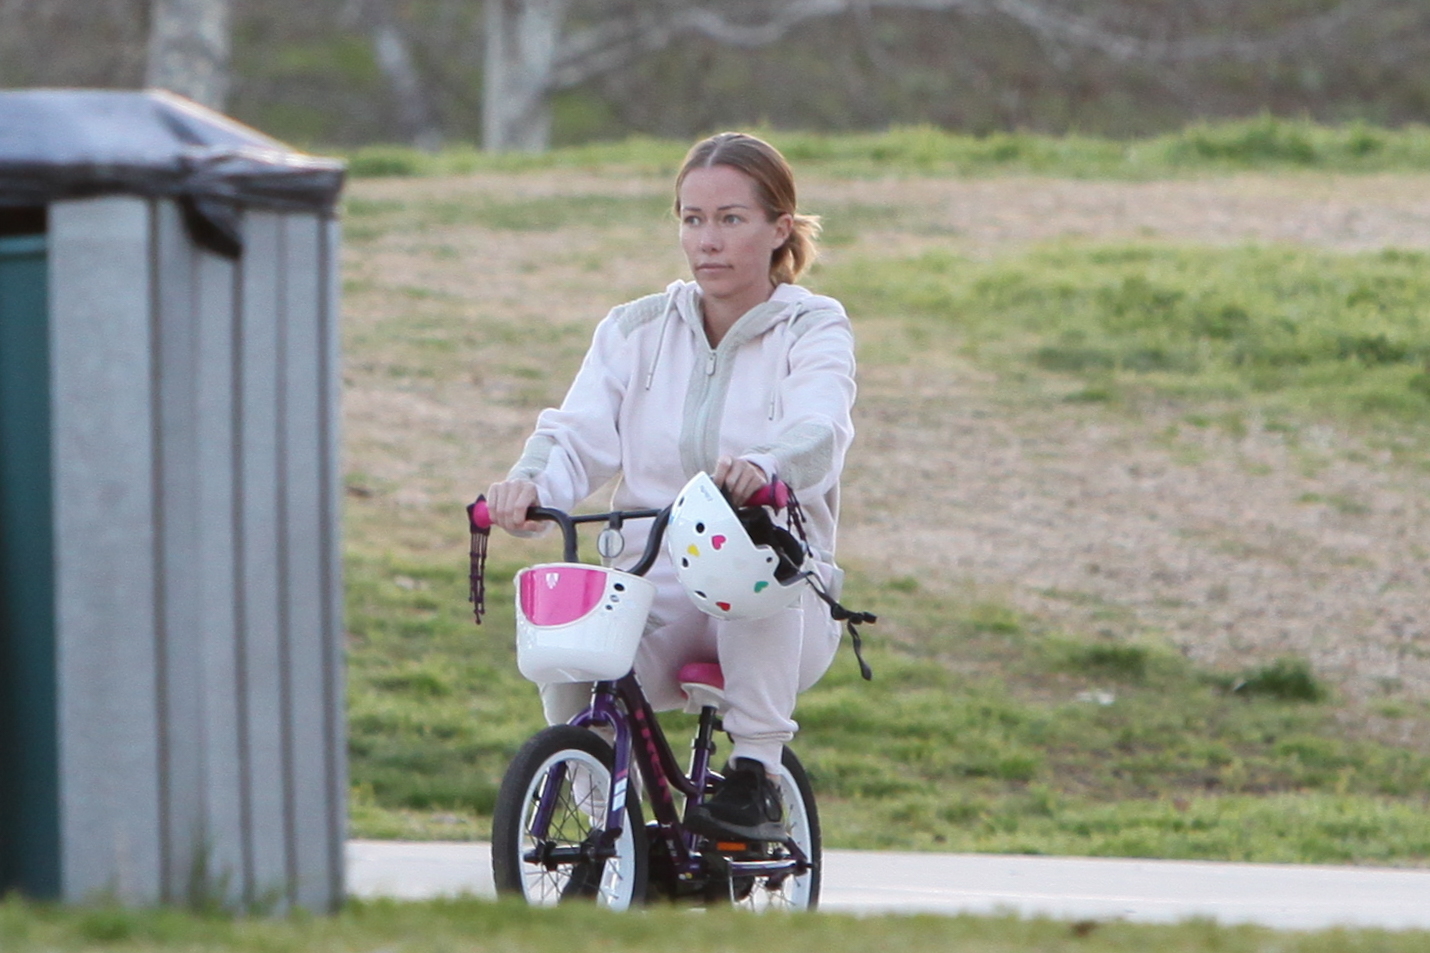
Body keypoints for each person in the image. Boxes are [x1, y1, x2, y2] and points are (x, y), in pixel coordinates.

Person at [485, 131, 857, 841]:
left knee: (747, 566)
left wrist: (767, 467)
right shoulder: (635, 329)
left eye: (730, 218)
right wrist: (529, 484)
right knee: (568, 648)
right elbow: (576, 432)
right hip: (652, 586)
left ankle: (756, 775)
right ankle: (603, 827)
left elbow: (821, 428)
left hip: (772, 601)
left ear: (779, 227)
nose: (707, 240)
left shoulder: (812, 326)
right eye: (692, 219)